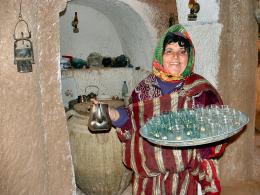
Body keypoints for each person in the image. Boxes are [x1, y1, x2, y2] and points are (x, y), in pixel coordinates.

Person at [93, 24, 226, 195]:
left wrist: (190, 152)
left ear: (190, 57)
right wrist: (112, 114)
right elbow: (132, 120)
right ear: (160, 55)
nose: (176, 57)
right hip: (149, 176)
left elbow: (217, 130)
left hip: (186, 177)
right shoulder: (144, 88)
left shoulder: (200, 90)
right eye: (169, 51)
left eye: (182, 52)